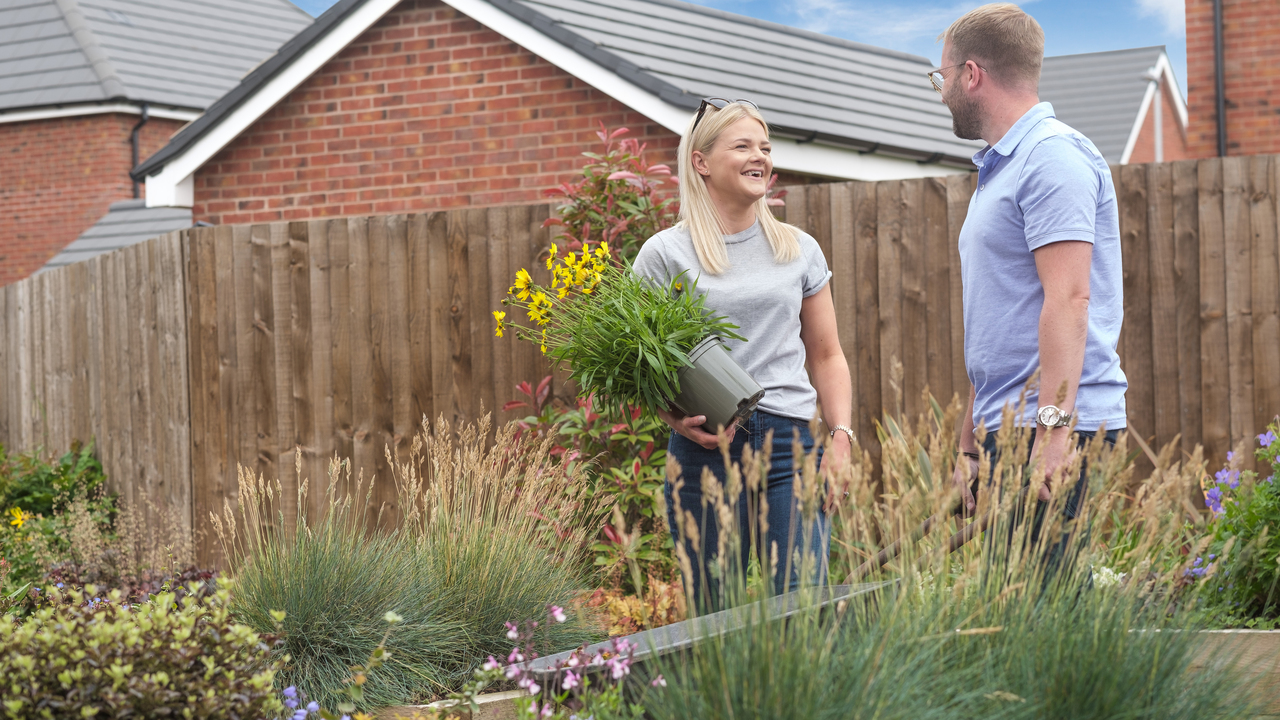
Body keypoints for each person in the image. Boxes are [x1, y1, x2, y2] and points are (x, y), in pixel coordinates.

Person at [632, 98, 853, 611]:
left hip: (789, 447)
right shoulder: (664, 254)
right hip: (705, 449)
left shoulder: (798, 249)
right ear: (702, 161)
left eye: (766, 147)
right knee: (714, 615)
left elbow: (827, 355)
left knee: (803, 611)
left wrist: (840, 436)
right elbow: (639, 367)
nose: (761, 157)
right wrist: (675, 421)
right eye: (744, 146)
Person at [935, 4, 1127, 556]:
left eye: (942, 76)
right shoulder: (1002, 168)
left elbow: (1069, 300)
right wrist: (970, 443)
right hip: (1009, 427)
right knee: (1025, 619)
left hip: (1050, 428)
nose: (940, 90)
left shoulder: (1052, 158)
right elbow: (1002, 316)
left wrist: (1052, 433)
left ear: (972, 74)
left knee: (1043, 612)